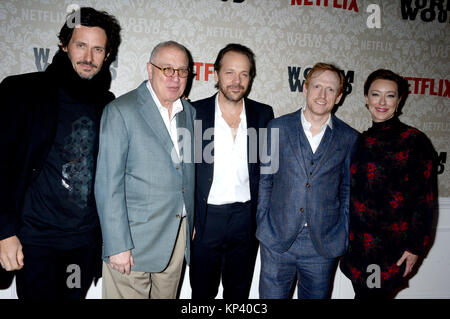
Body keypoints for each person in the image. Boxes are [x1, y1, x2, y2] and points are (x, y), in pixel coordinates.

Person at [0, 7, 121, 299]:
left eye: (97, 49)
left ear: (107, 55)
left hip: (80, 246)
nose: (88, 57)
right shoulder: (22, 91)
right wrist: (4, 232)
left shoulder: (107, 103)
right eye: (81, 45)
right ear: (64, 45)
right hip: (34, 242)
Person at [94, 41, 196, 299]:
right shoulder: (121, 110)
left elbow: (187, 174)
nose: (175, 77)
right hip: (131, 244)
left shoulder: (190, 114)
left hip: (175, 240)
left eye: (182, 71)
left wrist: (191, 220)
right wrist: (117, 245)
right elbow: (108, 184)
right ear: (149, 70)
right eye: (167, 69)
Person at [256, 62, 359, 299]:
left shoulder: (349, 138)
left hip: (323, 246)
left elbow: (347, 191)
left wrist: (341, 232)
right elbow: (265, 180)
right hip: (277, 240)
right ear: (305, 88)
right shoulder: (277, 127)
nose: (322, 95)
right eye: (317, 86)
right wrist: (263, 223)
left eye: (331, 89)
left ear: (340, 96)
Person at [339, 69, 437, 299]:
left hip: (390, 251)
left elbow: (425, 201)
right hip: (357, 248)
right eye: (375, 94)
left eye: (390, 95)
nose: (382, 102)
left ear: (399, 100)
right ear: (366, 98)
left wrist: (415, 247)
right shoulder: (358, 140)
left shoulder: (414, 141)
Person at [189, 43, 274, 299]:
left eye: (244, 74)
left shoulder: (263, 114)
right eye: (229, 73)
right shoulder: (194, 113)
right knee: (202, 294)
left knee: (238, 294)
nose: (236, 81)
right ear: (216, 74)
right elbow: (182, 172)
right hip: (205, 220)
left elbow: (270, 172)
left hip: (245, 221)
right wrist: (189, 218)